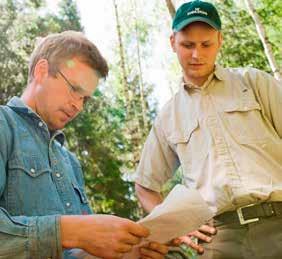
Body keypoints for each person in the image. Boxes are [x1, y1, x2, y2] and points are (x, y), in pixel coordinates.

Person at [0, 30, 169, 259]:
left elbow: (75, 252)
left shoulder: (69, 162)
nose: (78, 106)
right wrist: (72, 231)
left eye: (85, 99)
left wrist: (127, 252)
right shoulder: (4, 125)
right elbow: (73, 235)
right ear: (41, 71)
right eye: (74, 90)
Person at [134, 0, 282, 258]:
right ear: (173, 43)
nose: (196, 54)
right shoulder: (168, 116)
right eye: (187, 45)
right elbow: (145, 186)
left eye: (206, 44)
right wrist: (177, 228)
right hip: (219, 241)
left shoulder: (254, 83)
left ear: (220, 41)